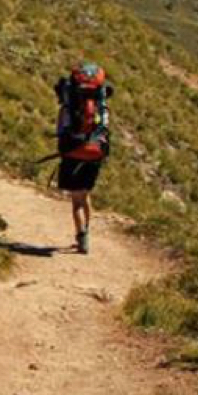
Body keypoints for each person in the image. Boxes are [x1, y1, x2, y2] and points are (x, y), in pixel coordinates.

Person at [53, 61, 112, 254]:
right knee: (86, 195)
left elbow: (61, 130)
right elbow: (105, 129)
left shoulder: (67, 109)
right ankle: (86, 231)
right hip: (94, 152)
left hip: (73, 153)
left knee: (76, 200)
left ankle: (81, 238)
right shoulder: (101, 108)